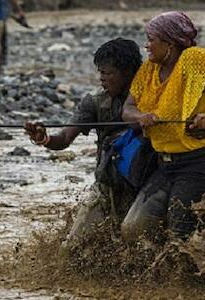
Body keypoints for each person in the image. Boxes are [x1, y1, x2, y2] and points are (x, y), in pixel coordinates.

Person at [121, 11, 205, 242]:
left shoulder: (194, 59)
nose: (146, 46)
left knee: (181, 238)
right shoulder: (149, 69)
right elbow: (127, 108)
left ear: (169, 43)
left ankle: (189, 277)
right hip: (165, 165)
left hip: (202, 164)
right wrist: (139, 116)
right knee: (133, 229)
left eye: (151, 39)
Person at [24, 38, 143, 249]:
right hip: (106, 187)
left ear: (129, 73)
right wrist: (44, 138)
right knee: (70, 249)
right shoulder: (95, 102)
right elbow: (64, 139)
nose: (102, 79)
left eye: (107, 73)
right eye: (100, 73)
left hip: (144, 187)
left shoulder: (155, 100)